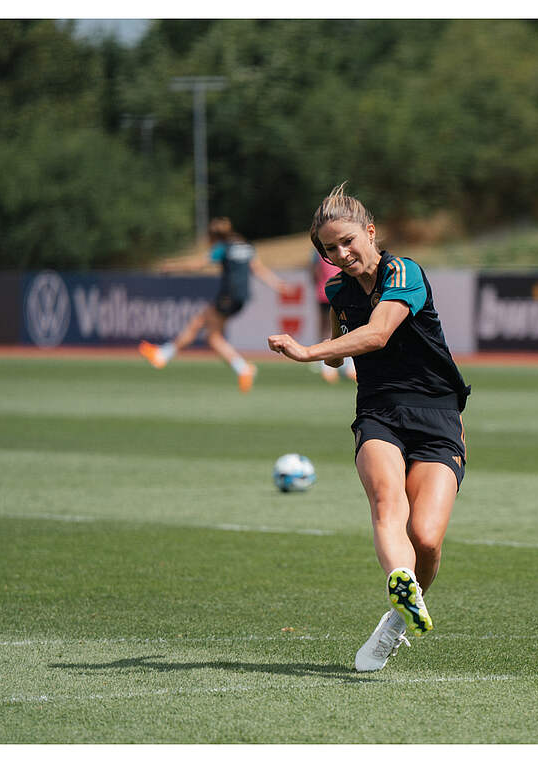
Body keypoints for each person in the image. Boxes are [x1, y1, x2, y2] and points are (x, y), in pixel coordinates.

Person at [267, 184, 471, 672]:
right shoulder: (338, 290)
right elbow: (348, 342)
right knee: (387, 501)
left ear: (371, 232)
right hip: (379, 411)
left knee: (426, 537)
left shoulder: (404, 272)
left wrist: (307, 352)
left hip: (439, 415)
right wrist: (330, 349)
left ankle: (398, 619)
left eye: (348, 241)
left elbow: (378, 334)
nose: (341, 254)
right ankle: (399, 578)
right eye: (330, 249)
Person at [140, 218, 290, 392]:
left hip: (227, 296)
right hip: (241, 297)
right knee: (212, 337)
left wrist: (172, 267)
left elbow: (197, 265)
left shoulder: (222, 247)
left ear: (214, 236)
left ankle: (163, 355)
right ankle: (241, 368)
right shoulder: (246, 246)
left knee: (201, 325)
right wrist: (278, 284)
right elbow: (258, 269)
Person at [309, 251, 356, 384]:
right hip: (331, 291)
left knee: (330, 327)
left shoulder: (321, 252)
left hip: (330, 290)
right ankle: (331, 363)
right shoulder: (342, 249)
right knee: (340, 326)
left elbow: (313, 271)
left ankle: (341, 364)